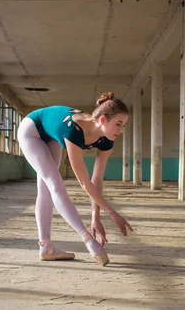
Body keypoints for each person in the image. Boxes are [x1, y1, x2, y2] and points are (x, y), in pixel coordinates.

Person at [17, 92, 133, 266]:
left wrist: (96, 215)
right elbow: (84, 182)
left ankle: (46, 248)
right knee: (54, 184)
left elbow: (97, 178)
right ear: (102, 120)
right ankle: (87, 240)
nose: (121, 131)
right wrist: (111, 211)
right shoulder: (73, 131)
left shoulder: (107, 140)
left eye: (123, 125)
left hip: (52, 135)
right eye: (118, 124)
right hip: (32, 129)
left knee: (46, 188)